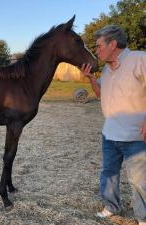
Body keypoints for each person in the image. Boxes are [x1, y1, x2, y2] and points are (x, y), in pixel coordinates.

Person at [81, 25, 146, 225]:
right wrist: (92, 79)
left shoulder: (140, 59)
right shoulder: (108, 70)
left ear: (113, 44)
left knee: (139, 181)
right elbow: (101, 93)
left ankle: (143, 218)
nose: (96, 50)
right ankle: (111, 207)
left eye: (99, 46)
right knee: (108, 174)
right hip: (109, 134)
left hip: (136, 135)